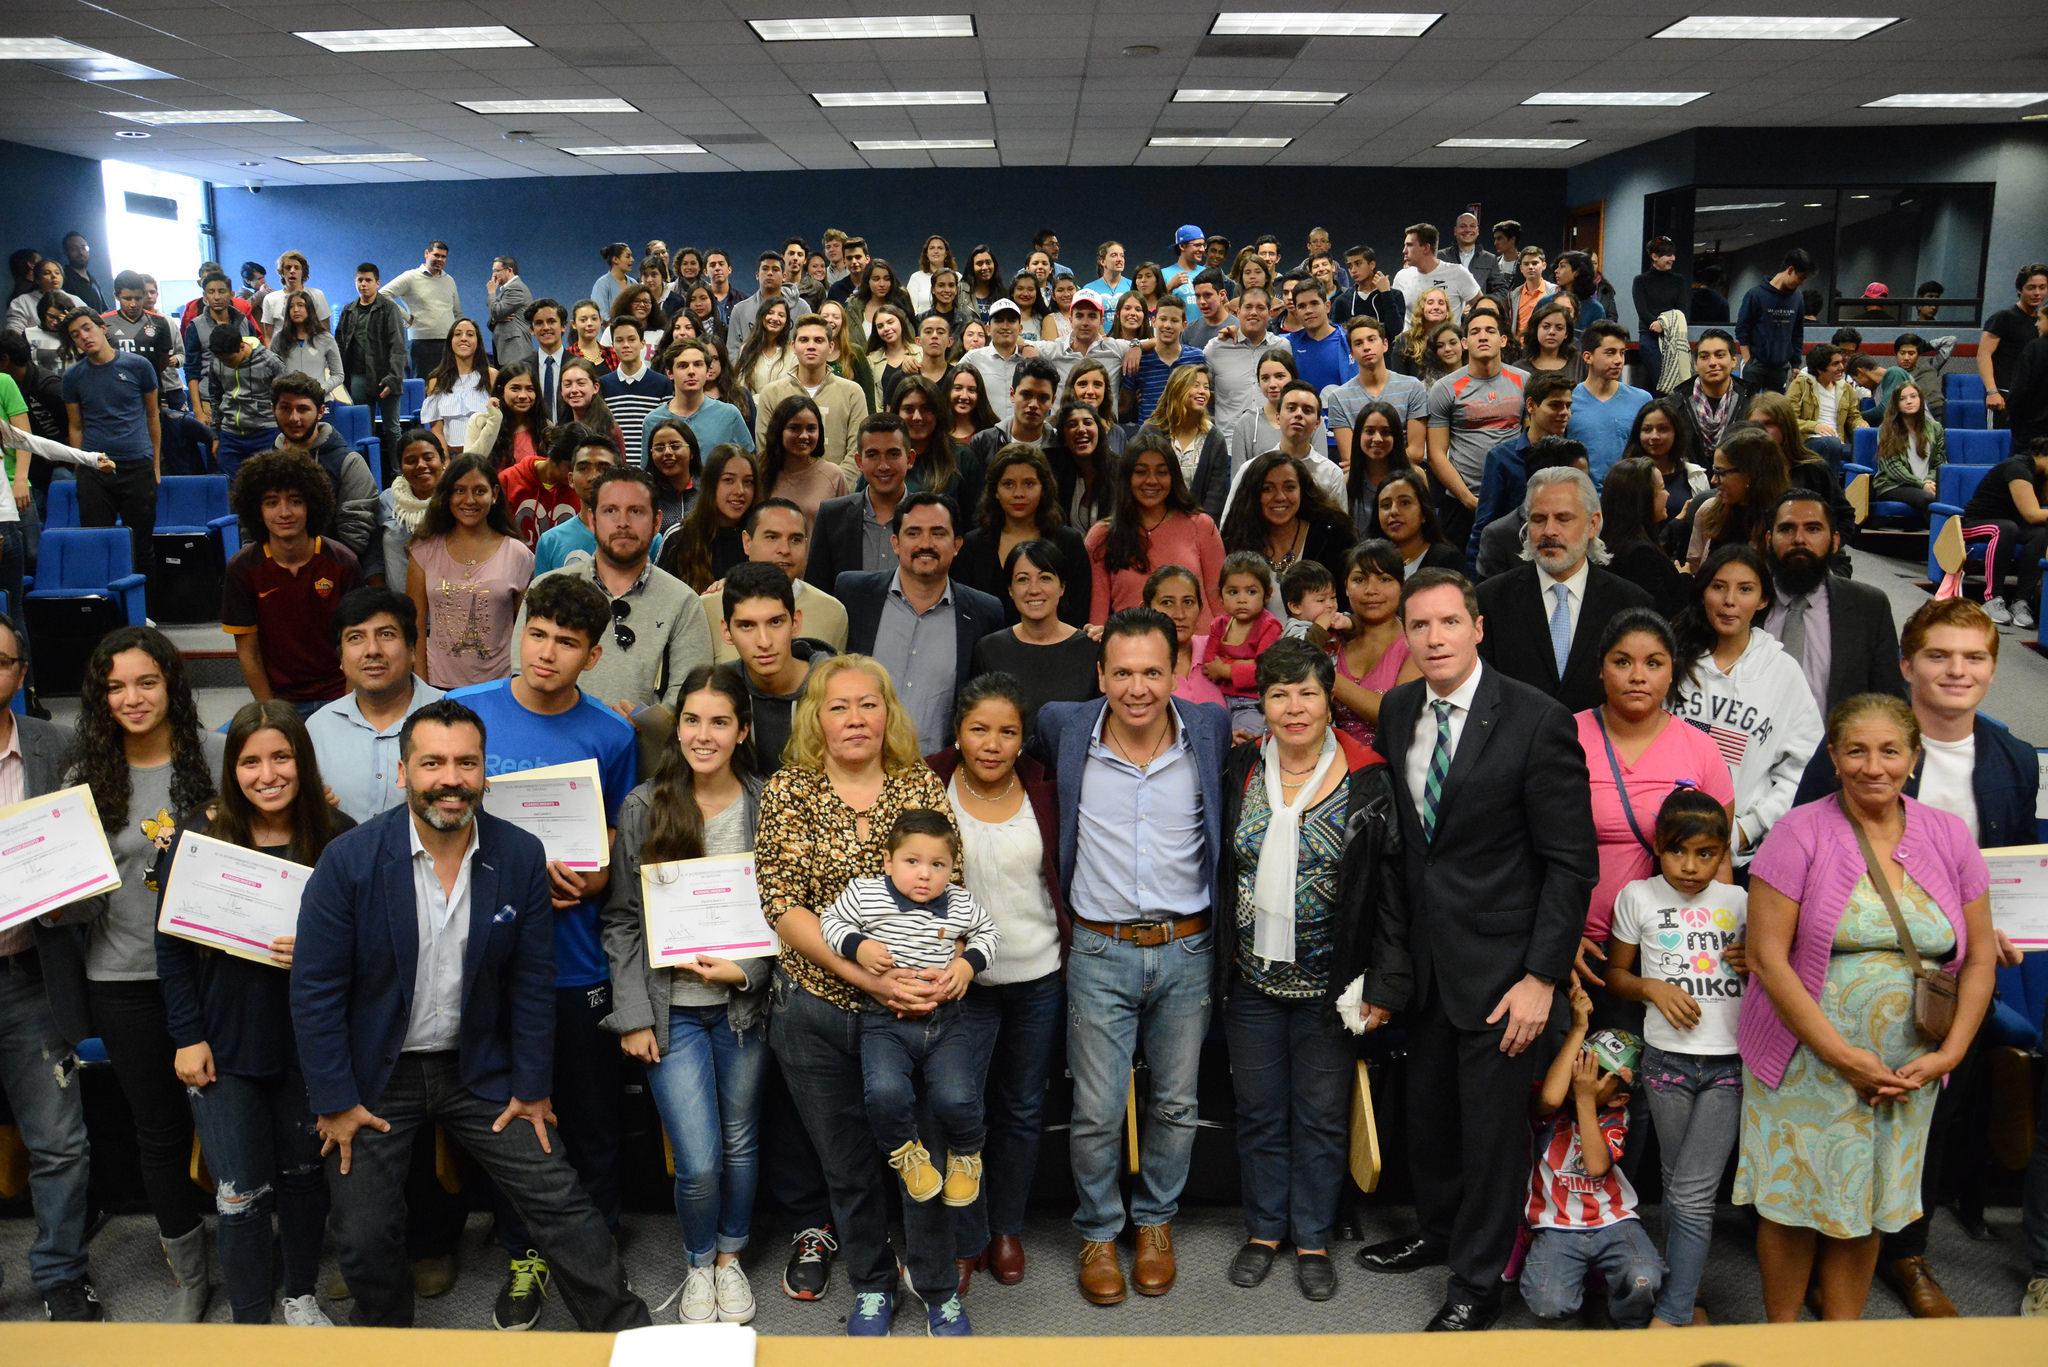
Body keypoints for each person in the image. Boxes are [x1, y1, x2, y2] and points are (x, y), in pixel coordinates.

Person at [290, 697, 649, 1330]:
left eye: (466, 763)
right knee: (365, 1229)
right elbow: (314, 989)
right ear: (404, 773)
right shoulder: (348, 861)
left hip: (477, 1068)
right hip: (377, 1074)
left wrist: (533, 1090)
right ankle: (385, 1342)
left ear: (485, 773)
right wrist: (335, 1101)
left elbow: (534, 984)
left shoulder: (517, 856)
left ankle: (625, 1330)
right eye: (432, 763)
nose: (450, 779)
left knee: (560, 1200)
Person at [1355, 569, 1598, 1332]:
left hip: (1504, 974)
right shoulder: (1397, 708)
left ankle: (1479, 1278)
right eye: (1419, 625)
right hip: (1424, 967)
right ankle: (1439, 1229)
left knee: (1492, 1136)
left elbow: (1571, 861)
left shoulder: (1536, 719)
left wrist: (1541, 978)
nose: (1433, 638)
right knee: (1428, 1116)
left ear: (1478, 627)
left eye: (1448, 623)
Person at [1792, 597, 2036, 1315]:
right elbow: (1805, 849)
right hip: (1848, 964)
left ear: (1995, 668)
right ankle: (1818, 1247)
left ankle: (1907, 1250)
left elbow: (2008, 870)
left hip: (1952, 977)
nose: (1956, 670)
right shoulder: (1865, 745)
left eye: (1974, 657)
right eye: (1939, 655)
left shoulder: (2013, 757)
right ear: (1907, 664)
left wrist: (2000, 927)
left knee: (1930, 1116)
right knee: (1836, 1108)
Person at [1733, 692, 1995, 1321]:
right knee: (1794, 1208)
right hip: (1806, 1063)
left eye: (1889, 751)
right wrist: (1842, 1055)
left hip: (1909, 1074)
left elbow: (1980, 956)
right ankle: (1784, 1346)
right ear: (1833, 756)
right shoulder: (1798, 832)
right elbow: (1768, 958)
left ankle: (1842, 1346)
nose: (1873, 766)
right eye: (1856, 750)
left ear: (1914, 757)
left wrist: (1950, 1053)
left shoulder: (1948, 835)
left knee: (1870, 1202)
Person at [444, 577, 639, 1329]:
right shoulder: (472, 717)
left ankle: (596, 1244)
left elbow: (621, 834)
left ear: (591, 656)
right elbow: (440, 820)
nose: (547, 652)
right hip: (492, 956)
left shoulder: (611, 735)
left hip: (578, 958)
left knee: (590, 1118)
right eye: (538, 634)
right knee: (513, 1119)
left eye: (566, 642)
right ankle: (525, 1250)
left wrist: (596, 871)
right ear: (520, 632)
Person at [754, 654, 968, 1334]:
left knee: (923, 1158)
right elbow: (782, 903)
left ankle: (938, 1287)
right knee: (846, 1162)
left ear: (888, 713)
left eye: (868, 704)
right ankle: (873, 1283)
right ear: (817, 716)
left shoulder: (918, 785)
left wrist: (946, 966)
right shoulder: (789, 789)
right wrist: (861, 970)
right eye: (839, 705)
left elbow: (952, 887)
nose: (855, 718)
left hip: (911, 1009)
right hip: (813, 1005)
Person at [1037, 607, 1232, 1306]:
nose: (1138, 687)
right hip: (1099, 947)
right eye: (1123, 672)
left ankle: (1155, 1223)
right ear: (1101, 674)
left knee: (1177, 1102)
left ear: (1176, 671)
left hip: (1188, 945)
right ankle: (1096, 1230)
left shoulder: (1207, 731)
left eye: (1153, 671)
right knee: (1093, 1107)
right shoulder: (1064, 727)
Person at [1215, 637, 1411, 1301]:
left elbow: (1391, 893)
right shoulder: (1239, 766)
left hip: (1336, 985)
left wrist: (1384, 983)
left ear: (1331, 701)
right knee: (1261, 1111)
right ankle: (1264, 1230)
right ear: (1261, 702)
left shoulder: (1370, 774)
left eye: (1307, 692)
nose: (1293, 707)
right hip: (1251, 980)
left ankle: (1313, 1237)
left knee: (1323, 1116)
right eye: (1278, 693)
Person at [155, 702, 348, 1325]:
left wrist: (326, 952)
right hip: (223, 1046)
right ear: (231, 769)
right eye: (250, 761)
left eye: (282, 757)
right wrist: (186, 1036)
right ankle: (247, 1321)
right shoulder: (198, 838)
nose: (268, 774)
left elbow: (378, 946)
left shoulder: (342, 838)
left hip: (309, 1046)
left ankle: (300, 1295)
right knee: (238, 1195)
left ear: (303, 761)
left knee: (300, 1178)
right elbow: (171, 948)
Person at [51, 627, 224, 1319]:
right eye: (116, 686)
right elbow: (72, 893)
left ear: (170, 686)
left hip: (216, 971)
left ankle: (248, 1244)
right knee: (157, 1128)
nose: (132, 697)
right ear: (100, 697)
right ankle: (188, 1268)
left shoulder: (214, 757)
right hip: (122, 977)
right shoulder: (83, 777)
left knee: (230, 1117)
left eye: (146, 682)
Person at [602, 664, 771, 1324]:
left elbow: (787, 906)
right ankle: (698, 1261)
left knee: (740, 1142)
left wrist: (749, 971)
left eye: (720, 721)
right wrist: (632, 1014)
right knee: (697, 1159)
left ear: (743, 730)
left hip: (743, 1007)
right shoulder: (645, 804)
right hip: (668, 1014)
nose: (704, 734)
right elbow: (619, 918)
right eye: (692, 720)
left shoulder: (766, 802)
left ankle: (730, 1260)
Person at [1603, 787, 1750, 1328]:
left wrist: (1755, 959)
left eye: (1707, 853)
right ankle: (1684, 1288)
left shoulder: (1740, 903)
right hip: (1666, 1064)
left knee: (1691, 1192)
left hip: (1728, 1065)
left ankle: (1674, 1313)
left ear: (1723, 853)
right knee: (1675, 1181)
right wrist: (1652, 989)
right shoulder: (1637, 896)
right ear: (1658, 848)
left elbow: (1774, 969)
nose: (1691, 866)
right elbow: (1615, 975)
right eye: (1678, 852)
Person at [817, 807, 998, 1213]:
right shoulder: (866, 893)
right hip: (885, 1023)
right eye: (911, 862)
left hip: (945, 1021)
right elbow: (830, 923)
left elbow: (989, 934)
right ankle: (906, 1152)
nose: (924, 874)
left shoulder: (959, 902)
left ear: (952, 868)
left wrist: (966, 964)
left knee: (957, 1097)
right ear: (888, 861)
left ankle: (967, 1151)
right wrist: (858, 947)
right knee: (884, 1092)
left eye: (938, 865)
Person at [0, 609, 99, 1320]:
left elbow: (87, 863)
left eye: (1, 660)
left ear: (21, 674)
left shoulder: (57, 747)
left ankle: (61, 1273)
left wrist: (67, 896)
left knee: (59, 1140)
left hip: (29, 973)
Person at [1573, 608, 1737, 1004]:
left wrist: (1724, 939)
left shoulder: (1701, 749)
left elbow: (1721, 856)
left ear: (1671, 672)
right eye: (1622, 661)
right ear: (1601, 669)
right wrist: (1555, 935)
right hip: (1581, 948)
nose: (1638, 676)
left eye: (1653, 663)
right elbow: (1532, 849)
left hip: (1674, 947)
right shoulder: (1565, 736)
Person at [1669, 544, 1823, 866]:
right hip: (1662, 843)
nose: (1730, 601)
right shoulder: (1671, 659)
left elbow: (1802, 769)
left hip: (1739, 858)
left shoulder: (1782, 672)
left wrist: (1746, 829)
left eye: (1745, 590)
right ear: (1702, 593)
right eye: (1719, 587)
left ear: (1763, 600)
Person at [1518, 995, 1662, 1327]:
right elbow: (1551, 1098)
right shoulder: (1555, 1107)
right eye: (1582, 1064)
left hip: (1613, 1221)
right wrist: (1579, 1028)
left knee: (1643, 1280)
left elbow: (1597, 1166)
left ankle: (1623, 1322)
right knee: (1549, 1303)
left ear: (1618, 1097)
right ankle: (1580, 1282)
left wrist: (1585, 1099)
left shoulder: (1616, 1116)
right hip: (1557, 1227)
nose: (1581, 1076)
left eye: (1595, 1074)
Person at [837, 491, 1006, 755]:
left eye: (938, 533)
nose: (925, 543)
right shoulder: (854, 594)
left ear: (957, 544)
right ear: (895, 543)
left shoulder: (985, 612)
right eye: (913, 533)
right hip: (860, 767)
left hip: (938, 774)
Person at [1476, 466, 1653, 714]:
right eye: (1538, 519)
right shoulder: (1490, 600)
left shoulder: (1632, 604)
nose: (1549, 531)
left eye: (1563, 518)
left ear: (1593, 525)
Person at [223, 449, 367, 712]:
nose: (284, 512)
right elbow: (249, 652)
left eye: (295, 501)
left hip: (340, 694)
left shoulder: (343, 563)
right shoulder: (242, 569)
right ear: (257, 510)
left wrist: (348, 708)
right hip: (281, 700)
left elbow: (357, 641)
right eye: (271, 502)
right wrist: (270, 711)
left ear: (311, 505)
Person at [306, 587, 447, 824]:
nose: (372, 650)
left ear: (412, 649)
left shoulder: (451, 716)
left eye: (386, 635)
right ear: (340, 659)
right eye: (356, 638)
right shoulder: (318, 728)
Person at [1760, 491, 1907, 715]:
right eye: (1787, 528)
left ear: (1834, 542)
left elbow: (1890, 702)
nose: (1799, 539)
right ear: (1769, 541)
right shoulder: (1742, 605)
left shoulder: (1869, 607)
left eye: (1813, 529)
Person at [406, 452, 534, 688]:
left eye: (479, 491)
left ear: (494, 494)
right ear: (447, 496)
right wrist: (422, 687)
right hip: (437, 685)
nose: (469, 500)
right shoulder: (423, 551)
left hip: (501, 685)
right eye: (459, 490)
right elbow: (415, 626)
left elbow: (527, 629)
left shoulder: (517, 553)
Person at [1085, 432, 1227, 624]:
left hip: (1199, 648)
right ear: (1127, 477)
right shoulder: (1102, 535)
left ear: (1173, 477)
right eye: (1141, 472)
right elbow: (1097, 618)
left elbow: (1219, 600)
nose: (1152, 480)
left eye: (1161, 472)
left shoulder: (1201, 525)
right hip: (1134, 647)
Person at [61, 307, 161, 573]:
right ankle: (106, 611)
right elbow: (76, 425)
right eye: (75, 334)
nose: (83, 336)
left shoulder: (138, 366)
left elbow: (153, 416)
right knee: (97, 541)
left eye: (87, 328)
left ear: (102, 328)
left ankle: (144, 612)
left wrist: (156, 465)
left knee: (142, 545)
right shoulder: (73, 376)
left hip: (136, 463)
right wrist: (79, 465)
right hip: (94, 467)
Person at [969, 539, 1100, 734]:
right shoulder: (989, 649)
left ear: (1062, 587)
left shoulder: (1092, 648)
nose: (1034, 589)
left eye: (1045, 578)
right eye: (1023, 579)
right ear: (1010, 590)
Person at [956, 443, 1091, 629]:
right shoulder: (972, 545)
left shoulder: (1069, 543)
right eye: (1008, 484)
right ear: (995, 491)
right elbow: (964, 614)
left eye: (1029, 484)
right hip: (985, 652)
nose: (1018, 494)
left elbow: (1078, 612)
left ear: (1043, 488)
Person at [1425, 311, 1527, 553]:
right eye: (1475, 332)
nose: (1483, 337)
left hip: (1515, 500)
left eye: (1490, 331)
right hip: (1461, 503)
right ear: (1464, 343)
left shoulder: (1525, 382)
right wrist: (1467, 499)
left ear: (1503, 340)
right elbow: (1436, 454)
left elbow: (1530, 443)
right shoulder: (1444, 388)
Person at [702, 497, 848, 659]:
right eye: (772, 537)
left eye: (795, 539)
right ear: (747, 542)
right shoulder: (707, 608)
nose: (785, 550)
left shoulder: (833, 612)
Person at [1465, 371, 1578, 566]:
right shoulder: (1501, 458)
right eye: (1555, 405)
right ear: (1531, 405)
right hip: (1513, 562)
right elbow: (1484, 525)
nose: (1564, 413)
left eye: (1568, 406)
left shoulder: (1574, 457)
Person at [1327, 540, 1421, 748]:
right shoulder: (1330, 636)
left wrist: (1325, 675)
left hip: (1388, 767)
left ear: (1402, 587)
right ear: (1346, 588)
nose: (1371, 590)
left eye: (1384, 579)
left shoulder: (1416, 642)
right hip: (1327, 762)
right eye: (1359, 580)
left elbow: (1396, 716)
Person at [754, 318, 869, 485]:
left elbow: (857, 451)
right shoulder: (771, 394)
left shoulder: (852, 393)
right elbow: (766, 451)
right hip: (785, 494)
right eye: (804, 340)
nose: (811, 346)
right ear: (793, 346)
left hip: (838, 496)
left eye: (819, 340)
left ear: (831, 347)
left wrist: (832, 488)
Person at [1220, 449, 1356, 586]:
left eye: (1289, 488)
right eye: (1267, 489)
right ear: (1253, 494)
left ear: (1302, 491)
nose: (1280, 497)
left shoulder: (1332, 536)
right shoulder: (1236, 540)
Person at [1958, 434, 2048, 629]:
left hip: (2010, 525)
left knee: (2040, 533)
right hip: (1973, 523)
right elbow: (2032, 514)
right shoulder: (2018, 468)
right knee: (2006, 528)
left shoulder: (2041, 475)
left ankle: (2021, 602)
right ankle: (1992, 598)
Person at [1196, 552, 1285, 733]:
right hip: (1219, 699)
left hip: (1253, 703)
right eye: (1233, 592)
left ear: (1267, 594)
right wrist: (1244, 664)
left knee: (1243, 744)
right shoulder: (1219, 624)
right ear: (1221, 595)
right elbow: (1210, 665)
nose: (1241, 599)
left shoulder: (1269, 627)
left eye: (1251, 592)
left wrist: (1225, 669)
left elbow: (1263, 671)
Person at [1685, 426, 1789, 572]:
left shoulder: (1787, 521)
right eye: (1714, 471)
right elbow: (1694, 570)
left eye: (1720, 472)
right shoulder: (1707, 511)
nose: (1714, 480)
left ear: (1750, 474)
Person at [657, 443, 757, 593]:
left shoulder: (762, 536)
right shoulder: (680, 537)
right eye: (728, 480)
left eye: (748, 482)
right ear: (711, 484)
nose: (740, 491)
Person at [1598, 457, 1687, 617]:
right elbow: (1661, 613)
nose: (1667, 494)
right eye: (1662, 488)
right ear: (1643, 498)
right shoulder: (1640, 555)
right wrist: (1685, 579)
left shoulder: (1609, 540)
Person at [337, 263, 409, 459]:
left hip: (386, 377)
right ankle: (368, 474)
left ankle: (398, 475)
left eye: (368, 280)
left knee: (392, 430)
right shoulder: (348, 310)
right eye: (359, 280)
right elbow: (340, 344)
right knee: (364, 431)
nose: (363, 284)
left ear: (377, 283)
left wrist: (394, 378)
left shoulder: (389, 309)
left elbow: (398, 346)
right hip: (358, 377)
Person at [1569, 321, 1652, 483]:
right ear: (1588, 357)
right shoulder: (1569, 401)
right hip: (1582, 496)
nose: (1618, 360)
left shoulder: (1642, 400)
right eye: (1610, 353)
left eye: (1622, 353)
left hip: (1629, 494)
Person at [1733, 249, 1814, 395]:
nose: (1801, 283)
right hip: (1755, 363)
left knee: (1775, 412)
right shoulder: (1756, 295)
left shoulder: (1797, 298)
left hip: (1780, 367)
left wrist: (1796, 363)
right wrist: (1748, 360)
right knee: (1748, 408)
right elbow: (1742, 329)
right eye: (1800, 278)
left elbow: (1797, 333)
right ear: (1790, 270)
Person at [376, 430, 447, 591]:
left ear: (443, 460)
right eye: (410, 460)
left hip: (448, 603)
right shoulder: (387, 500)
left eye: (428, 458)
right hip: (400, 604)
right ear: (401, 466)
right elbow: (375, 557)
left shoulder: (458, 500)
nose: (421, 465)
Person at [380, 241, 463, 377]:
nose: (440, 260)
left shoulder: (449, 280)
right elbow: (383, 294)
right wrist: (406, 317)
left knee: (449, 386)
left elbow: (457, 312)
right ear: (426, 254)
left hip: (448, 343)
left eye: (443, 257)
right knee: (424, 386)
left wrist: (460, 337)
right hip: (422, 344)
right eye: (436, 255)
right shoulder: (411, 277)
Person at [1978, 262, 2048, 423]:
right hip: (2003, 396)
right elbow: (1983, 354)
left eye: (2042, 287)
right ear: (2019, 289)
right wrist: (1991, 391)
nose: (2037, 293)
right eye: (2031, 288)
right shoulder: (2003, 317)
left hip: (2032, 398)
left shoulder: (2042, 323)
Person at [1670, 328, 1755, 455]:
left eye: (1720, 355)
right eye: (1704, 357)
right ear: (1695, 365)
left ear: (1734, 361)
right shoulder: (1674, 406)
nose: (1712, 363)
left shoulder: (1751, 404)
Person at [1870, 381, 1946, 522]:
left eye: (1913, 396)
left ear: (1921, 399)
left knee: (1950, 497)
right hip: (1894, 485)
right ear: (1896, 404)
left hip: (1926, 483)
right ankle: (1939, 541)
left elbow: (1939, 463)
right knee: (1929, 499)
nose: (1909, 402)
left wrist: (1929, 480)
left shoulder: (1935, 428)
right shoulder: (1887, 429)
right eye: (1902, 399)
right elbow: (1892, 467)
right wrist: (1921, 484)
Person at [1344, 399, 1418, 539]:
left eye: (1385, 432)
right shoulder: (1346, 482)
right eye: (1369, 431)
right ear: (1359, 435)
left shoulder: (1415, 476)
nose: (1377, 439)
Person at [1375, 467, 1464, 578]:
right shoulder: (1370, 560)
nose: (1393, 511)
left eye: (1405, 503)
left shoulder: (1445, 560)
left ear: (1424, 513)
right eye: (1386, 505)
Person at [465, 360, 547, 477]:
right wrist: (494, 421)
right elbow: (468, 467)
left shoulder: (544, 426)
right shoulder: (480, 421)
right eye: (515, 389)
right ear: (501, 391)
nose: (523, 396)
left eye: (530, 389)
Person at [1391, 223, 1481, 320]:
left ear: (1426, 248)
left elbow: (1483, 307)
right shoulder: (1401, 277)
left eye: (1409, 245)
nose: (1404, 250)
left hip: (1448, 335)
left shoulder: (1458, 274)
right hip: (1411, 335)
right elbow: (1396, 319)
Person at [269, 288, 346, 397]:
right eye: (291, 306)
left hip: (320, 400)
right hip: (289, 401)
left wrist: (321, 390)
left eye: (300, 305)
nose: (295, 310)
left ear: (309, 309)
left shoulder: (325, 338)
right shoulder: (279, 338)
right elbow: (270, 372)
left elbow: (338, 374)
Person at [485, 255, 535, 369]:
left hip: (515, 351)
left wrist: (491, 292)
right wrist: (495, 319)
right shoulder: (507, 290)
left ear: (509, 270)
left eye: (497, 271)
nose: (494, 275)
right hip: (505, 351)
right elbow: (493, 320)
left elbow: (496, 312)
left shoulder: (516, 288)